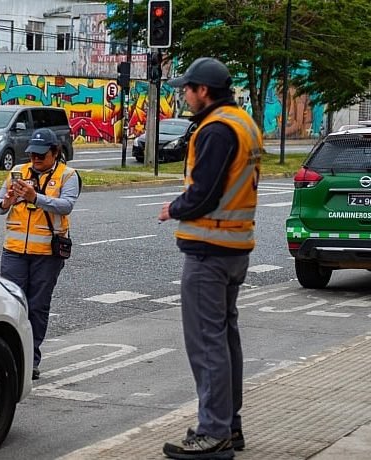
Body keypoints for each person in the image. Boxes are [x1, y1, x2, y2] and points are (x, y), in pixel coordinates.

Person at [158, 57, 262, 460]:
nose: (184, 94)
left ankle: (214, 433)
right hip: (235, 247)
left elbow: (205, 192)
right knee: (225, 339)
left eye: (188, 88)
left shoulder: (216, 130)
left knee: (207, 345)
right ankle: (228, 426)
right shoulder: (244, 122)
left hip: (209, 250)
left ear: (204, 91)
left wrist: (174, 208)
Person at [0, 128, 81, 381]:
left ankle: (30, 360)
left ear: (56, 152)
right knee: (12, 303)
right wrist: (8, 202)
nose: (36, 159)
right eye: (33, 154)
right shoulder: (17, 172)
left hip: (47, 253)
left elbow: (66, 205)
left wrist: (36, 197)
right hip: (14, 251)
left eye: (42, 155)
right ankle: (9, 356)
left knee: (38, 307)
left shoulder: (68, 175)